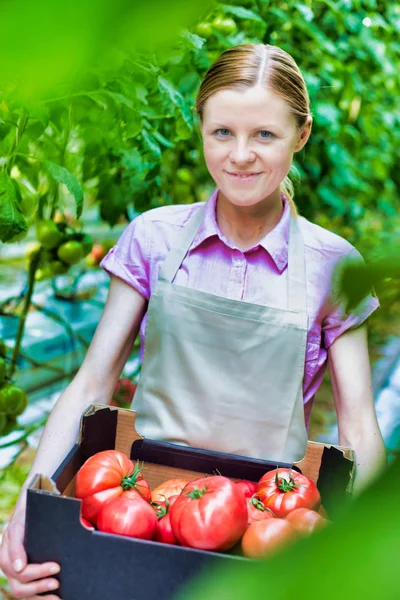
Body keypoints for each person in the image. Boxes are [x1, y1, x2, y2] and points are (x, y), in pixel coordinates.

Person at [0, 43, 386, 598]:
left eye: (266, 135)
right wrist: (27, 512)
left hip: (263, 527)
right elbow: (92, 380)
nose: (241, 155)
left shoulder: (333, 265)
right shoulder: (154, 239)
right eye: (222, 132)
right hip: (139, 510)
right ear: (200, 128)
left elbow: (358, 426)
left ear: (300, 136)